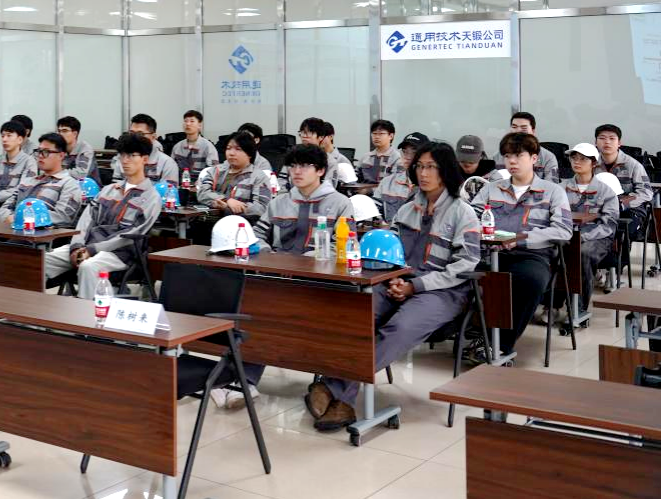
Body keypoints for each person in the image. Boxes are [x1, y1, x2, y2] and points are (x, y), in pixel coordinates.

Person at [309, 142, 481, 432]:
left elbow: (464, 265)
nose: (423, 173)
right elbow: (393, 254)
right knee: (356, 313)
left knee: (399, 327)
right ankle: (340, 394)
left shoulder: (462, 212)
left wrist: (416, 285)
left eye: (431, 167)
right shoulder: (407, 209)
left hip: (443, 291)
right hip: (397, 283)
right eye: (420, 166)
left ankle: (334, 387)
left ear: (446, 171)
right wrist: (394, 279)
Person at [239, 144, 352, 401]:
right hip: (277, 277)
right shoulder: (280, 202)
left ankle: (331, 383)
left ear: (320, 170)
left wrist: (302, 265)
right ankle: (243, 380)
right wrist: (270, 256)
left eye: (304, 166)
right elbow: (257, 235)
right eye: (293, 166)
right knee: (255, 312)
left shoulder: (340, 204)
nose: (297, 171)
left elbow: (341, 245)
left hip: (319, 281)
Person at [472, 132, 572, 358]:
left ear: (534, 158)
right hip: (489, 253)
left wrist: (521, 238)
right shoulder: (491, 188)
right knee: (461, 274)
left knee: (530, 281)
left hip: (531, 257)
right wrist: (479, 232)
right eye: (508, 156)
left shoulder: (552, 191)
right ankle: (473, 333)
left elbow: (563, 230)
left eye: (518, 155)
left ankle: (500, 346)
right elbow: (470, 218)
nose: (512, 161)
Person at [42, 133, 161, 299]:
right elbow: (86, 220)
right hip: (86, 246)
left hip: (119, 253)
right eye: (122, 155)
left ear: (145, 159)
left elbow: (132, 234)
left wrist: (92, 250)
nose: (125, 161)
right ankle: (34, 309)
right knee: (43, 260)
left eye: (131, 156)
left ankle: (88, 314)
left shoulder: (151, 197)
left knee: (89, 267)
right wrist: (77, 245)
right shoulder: (108, 190)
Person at [558, 143, 618, 314]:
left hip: (596, 237)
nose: (577, 162)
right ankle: (552, 304)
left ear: (594, 163)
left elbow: (609, 224)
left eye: (583, 159)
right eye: (574, 158)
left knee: (581, 253)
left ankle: (578, 308)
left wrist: (583, 236)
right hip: (566, 233)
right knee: (548, 251)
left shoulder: (606, 192)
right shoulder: (561, 188)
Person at [0, 133, 83, 227]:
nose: (40, 156)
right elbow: (5, 208)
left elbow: (63, 217)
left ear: (61, 155)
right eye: (39, 151)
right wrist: (7, 217)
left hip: (42, 233)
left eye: (46, 152)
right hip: (13, 229)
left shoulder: (69, 184)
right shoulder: (28, 181)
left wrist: (22, 218)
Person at [592, 124, 652, 242]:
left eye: (612, 138)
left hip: (628, 210)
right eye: (602, 138)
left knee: (622, 230)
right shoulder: (591, 164)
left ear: (619, 143)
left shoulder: (633, 165)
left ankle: (621, 254)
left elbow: (646, 192)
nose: (607, 142)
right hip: (598, 208)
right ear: (596, 142)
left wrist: (622, 203)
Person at [196, 131, 272, 218]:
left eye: (238, 149)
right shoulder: (215, 170)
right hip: (209, 221)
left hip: (242, 223)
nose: (231, 153)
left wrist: (227, 208)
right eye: (228, 148)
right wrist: (227, 200)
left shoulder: (258, 177)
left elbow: (261, 208)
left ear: (249, 153)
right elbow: (202, 193)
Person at [373, 132, 427, 220]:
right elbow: (375, 213)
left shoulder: (431, 186)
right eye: (405, 152)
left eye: (414, 152)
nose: (408, 157)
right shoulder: (387, 182)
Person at [492, 112, 559, 182]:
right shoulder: (498, 155)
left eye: (524, 128)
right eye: (514, 127)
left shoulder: (548, 157)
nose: (518, 131)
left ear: (533, 131)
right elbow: (493, 181)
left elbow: (553, 183)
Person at [114, 114, 179, 183]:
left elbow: (169, 189)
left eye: (140, 134)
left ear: (153, 137)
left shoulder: (167, 163)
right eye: (131, 133)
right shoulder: (123, 158)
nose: (134, 138)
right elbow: (116, 185)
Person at [172, 109, 219, 183]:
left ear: (199, 125)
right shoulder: (177, 147)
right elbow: (172, 169)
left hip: (201, 185)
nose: (188, 124)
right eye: (185, 121)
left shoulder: (208, 146)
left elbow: (213, 171)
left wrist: (200, 184)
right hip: (180, 185)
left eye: (192, 121)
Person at [56, 115, 98, 182]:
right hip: (64, 183)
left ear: (75, 134)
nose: (60, 134)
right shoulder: (58, 148)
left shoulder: (85, 149)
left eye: (64, 131)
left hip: (86, 185)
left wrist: (57, 172)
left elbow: (81, 174)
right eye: (59, 131)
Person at [359, 119, 399, 184]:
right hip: (363, 190)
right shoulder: (365, 157)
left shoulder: (396, 158)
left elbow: (395, 183)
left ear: (391, 136)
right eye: (374, 133)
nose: (377, 137)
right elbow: (356, 178)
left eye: (381, 134)